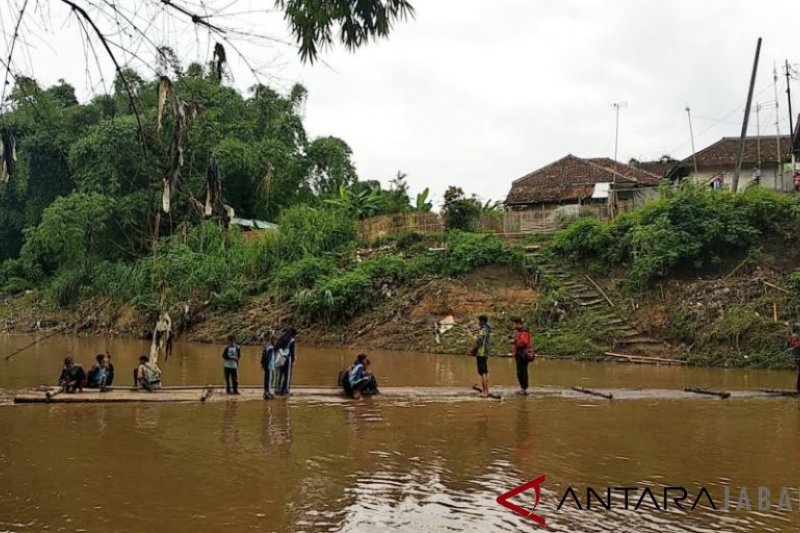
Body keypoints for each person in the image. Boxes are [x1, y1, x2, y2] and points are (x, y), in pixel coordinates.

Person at [511, 317, 535, 396]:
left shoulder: (524, 331)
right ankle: (523, 388)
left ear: (518, 324)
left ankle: (524, 389)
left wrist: (515, 341)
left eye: (514, 324)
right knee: (521, 372)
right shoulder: (522, 331)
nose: (513, 326)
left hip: (522, 354)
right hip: (521, 354)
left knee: (522, 372)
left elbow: (523, 342)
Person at [472, 315, 492, 398]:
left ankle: (485, 392)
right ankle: (486, 390)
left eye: (479, 321)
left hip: (481, 353)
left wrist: (473, 348)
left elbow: (479, 341)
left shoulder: (483, 330)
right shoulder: (487, 329)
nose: (478, 322)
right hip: (485, 353)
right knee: (485, 372)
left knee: (482, 372)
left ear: (482, 321)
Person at [275, 328, 297, 395]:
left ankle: (277, 390)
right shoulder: (292, 340)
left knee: (279, 374)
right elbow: (292, 352)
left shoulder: (281, 338)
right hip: (287, 358)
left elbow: (276, 347)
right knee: (287, 375)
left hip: (280, 358)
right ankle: (285, 390)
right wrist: (293, 360)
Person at [260, 332, 277, 400]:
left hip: (269, 366)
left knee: (267, 380)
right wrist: (266, 365)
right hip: (270, 366)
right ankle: (267, 393)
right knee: (269, 380)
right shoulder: (270, 348)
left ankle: (266, 392)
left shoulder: (268, 347)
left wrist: (263, 365)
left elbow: (264, 357)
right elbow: (268, 358)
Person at [789, 324, 800, 392]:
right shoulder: (794, 336)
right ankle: (798, 389)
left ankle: (798, 389)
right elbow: (794, 344)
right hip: (798, 357)